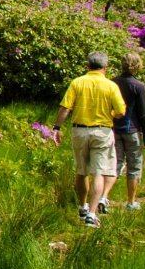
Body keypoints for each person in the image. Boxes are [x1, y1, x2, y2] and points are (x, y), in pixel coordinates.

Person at [54, 50, 126, 227]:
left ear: (88, 65)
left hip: (80, 130)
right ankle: (91, 215)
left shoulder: (77, 82)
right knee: (98, 172)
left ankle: (82, 206)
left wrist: (56, 127)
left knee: (81, 171)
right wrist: (111, 114)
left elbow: (65, 108)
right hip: (102, 132)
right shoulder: (110, 86)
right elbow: (121, 111)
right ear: (105, 67)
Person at [112, 58, 145, 212]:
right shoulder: (138, 85)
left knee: (115, 164)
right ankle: (131, 202)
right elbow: (142, 114)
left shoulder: (112, 82)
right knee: (134, 167)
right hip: (132, 130)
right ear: (137, 66)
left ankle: (103, 198)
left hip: (113, 129)